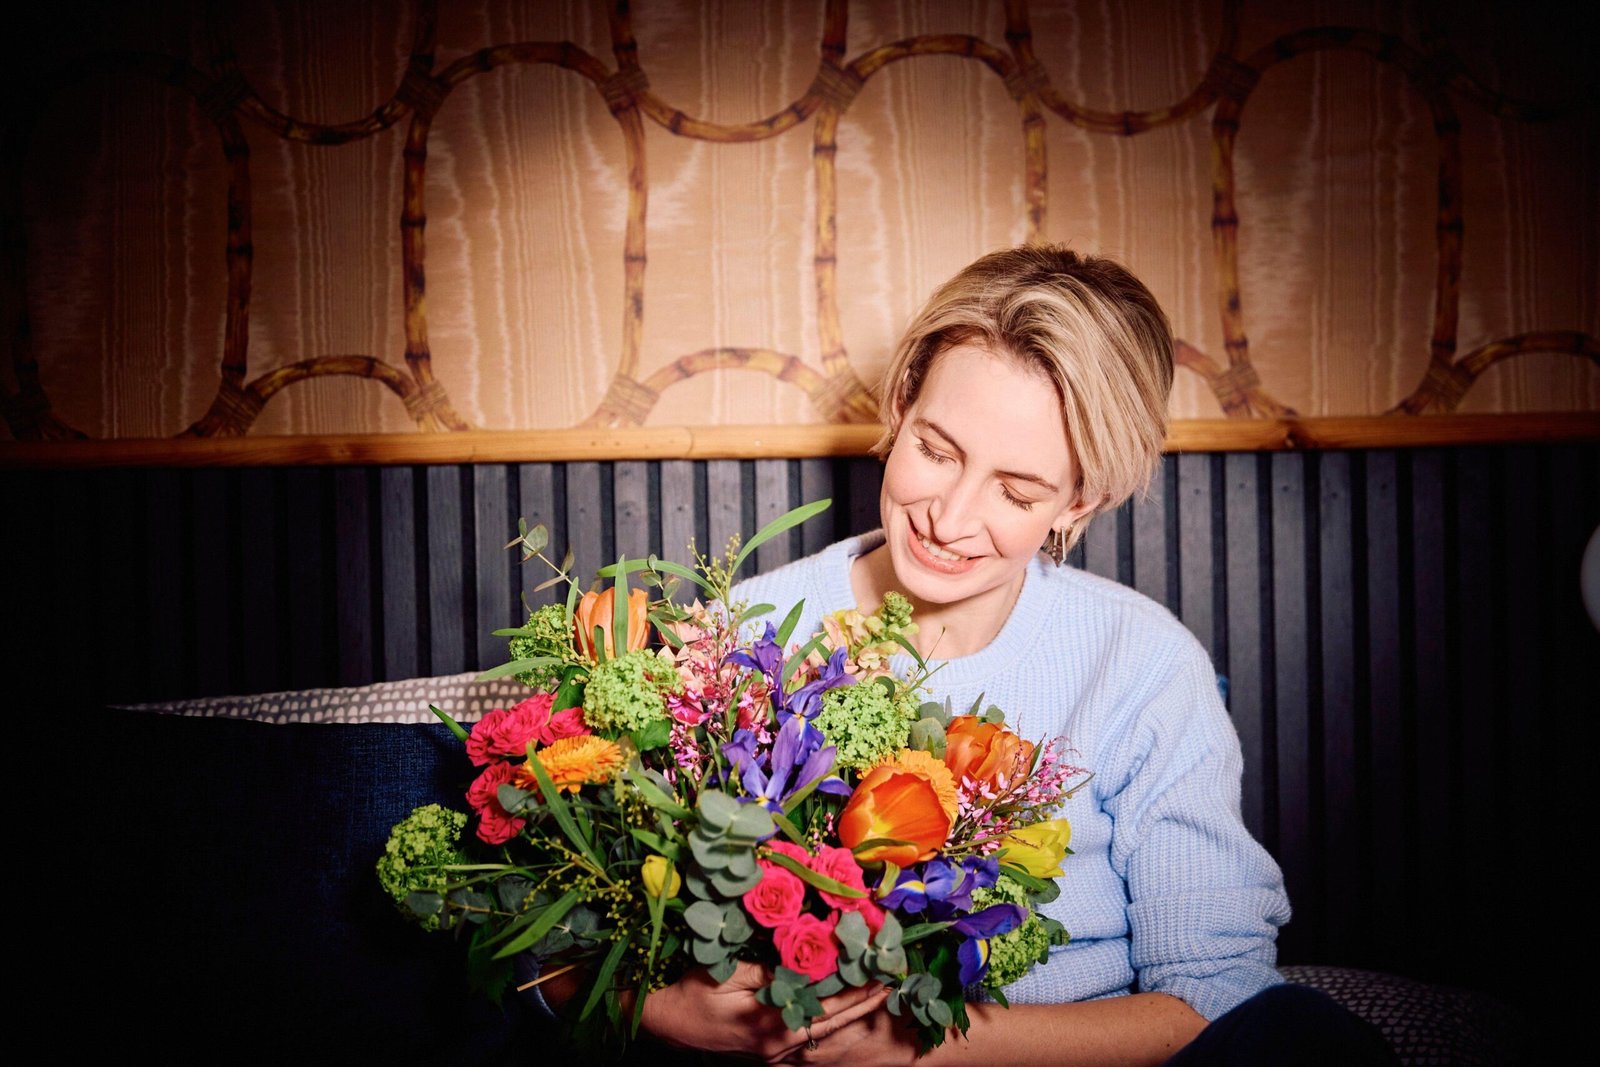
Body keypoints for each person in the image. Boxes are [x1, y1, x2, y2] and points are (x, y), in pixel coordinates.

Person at [530, 245, 1395, 1066]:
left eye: (1017, 489)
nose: (949, 516)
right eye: (935, 450)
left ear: (1082, 494)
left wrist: (925, 1046)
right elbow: (548, 955)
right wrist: (661, 1008)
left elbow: (1215, 996)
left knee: (1306, 1038)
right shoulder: (743, 630)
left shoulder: (1142, 663)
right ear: (903, 401)